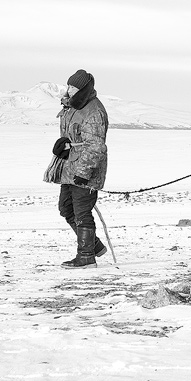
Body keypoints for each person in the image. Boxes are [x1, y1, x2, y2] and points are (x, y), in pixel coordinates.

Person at [52, 69, 109, 268]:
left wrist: (84, 173)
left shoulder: (93, 111)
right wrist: (63, 146)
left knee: (82, 212)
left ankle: (86, 257)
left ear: (84, 89)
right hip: (69, 167)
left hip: (86, 170)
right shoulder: (72, 107)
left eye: (74, 87)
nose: (69, 90)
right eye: (69, 86)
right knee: (66, 208)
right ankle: (95, 246)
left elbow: (96, 145)